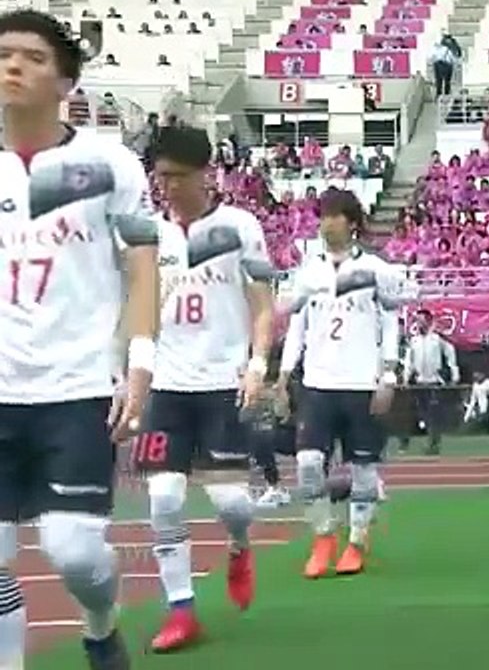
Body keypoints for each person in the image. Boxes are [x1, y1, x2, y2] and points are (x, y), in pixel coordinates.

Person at [0, 8, 159, 669]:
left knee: (75, 554)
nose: (12, 66)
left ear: (67, 81)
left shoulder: (107, 164)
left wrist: (141, 365)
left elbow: (143, 266)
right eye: (4, 54)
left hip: (77, 387)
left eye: (33, 57)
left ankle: (100, 621)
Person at [137, 126, 276, 652]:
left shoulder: (242, 227)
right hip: (167, 389)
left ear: (204, 173)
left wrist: (257, 364)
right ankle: (181, 611)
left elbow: (263, 305)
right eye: (160, 176)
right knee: (163, 497)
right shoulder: (149, 234)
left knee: (231, 503)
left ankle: (240, 547)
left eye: (176, 176)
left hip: (222, 385)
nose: (166, 186)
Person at [276, 188, 406, 578]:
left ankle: (357, 540)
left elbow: (390, 322)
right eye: (322, 215)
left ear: (351, 223)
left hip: (361, 381)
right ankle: (323, 535)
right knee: (308, 464)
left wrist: (388, 376)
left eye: (333, 215)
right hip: (317, 383)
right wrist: (283, 376)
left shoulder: (377, 270)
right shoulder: (308, 272)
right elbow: (296, 325)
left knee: (363, 469)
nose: (325, 223)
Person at [402, 309, 458, 455]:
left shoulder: (436, 339)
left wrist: (453, 373)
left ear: (429, 322)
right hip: (419, 381)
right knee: (420, 413)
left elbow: (450, 351)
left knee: (433, 414)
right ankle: (414, 441)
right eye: (417, 321)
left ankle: (433, 443)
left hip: (434, 381)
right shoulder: (414, 341)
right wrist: (406, 377)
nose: (419, 324)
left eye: (422, 320)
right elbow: (409, 361)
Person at [463, 370, 489, 434]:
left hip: (488, 408)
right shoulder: (475, 385)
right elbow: (473, 400)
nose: (476, 377)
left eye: (478, 375)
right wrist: (467, 416)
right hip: (480, 408)